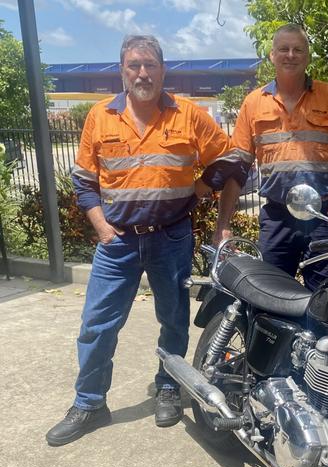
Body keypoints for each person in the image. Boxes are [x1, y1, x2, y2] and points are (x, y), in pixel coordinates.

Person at [46, 35, 247, 446]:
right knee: (96, 325)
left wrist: (202, 188)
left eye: (150, 65)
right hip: (116, 243)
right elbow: (84, 181)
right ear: (122, 70)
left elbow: (232, 158)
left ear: (162, 69)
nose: (142, 73)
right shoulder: (100, 117)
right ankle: (89, 403)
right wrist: (102, 227)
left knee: (172, 320)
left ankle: (169, 387)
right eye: (134, 65)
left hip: (171, 239)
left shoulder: (188, 115)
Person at [214, 23, 328, 290]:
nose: (290, 55)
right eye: (283, 49)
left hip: (325, 217)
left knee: (321, 300)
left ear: (307, 56)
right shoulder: (254, 103)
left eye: (298, 49)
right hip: (277, 218)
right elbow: (236, 169)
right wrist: (223, 225)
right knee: (269, 296)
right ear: (272, 56)